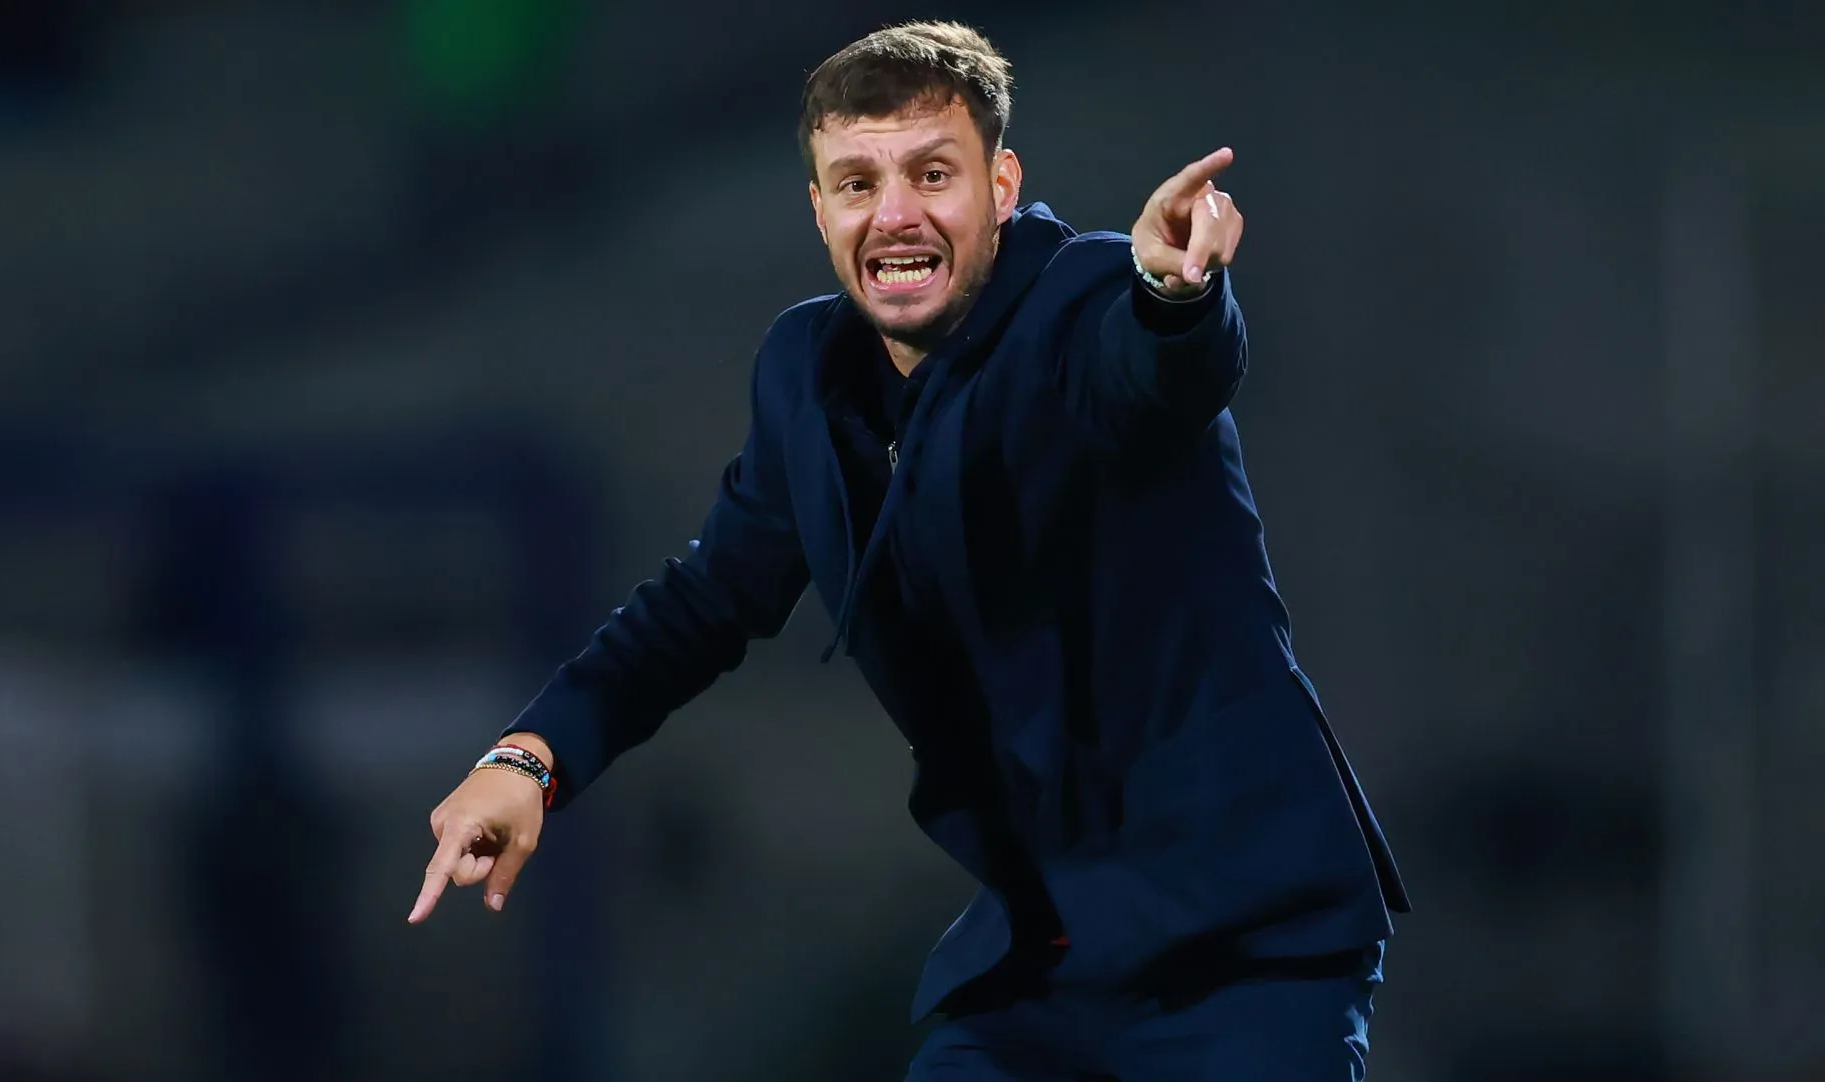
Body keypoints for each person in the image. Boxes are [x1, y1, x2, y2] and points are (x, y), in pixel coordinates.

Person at [409, 19, 1410, 1081]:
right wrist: (531, 758)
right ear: (818, 209)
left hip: (1240, 946)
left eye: (933, 173)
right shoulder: (807, 373)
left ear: (1002, 185)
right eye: (856, 182)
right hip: (1042, 962)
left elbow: (1156, 374)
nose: (894, 213)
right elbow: (705, 600)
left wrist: (1173, 295)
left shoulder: (1082, 299)